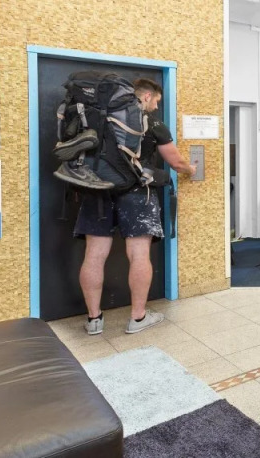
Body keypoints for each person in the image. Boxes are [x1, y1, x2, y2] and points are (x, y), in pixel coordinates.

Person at [76, 78, 195, 336]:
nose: (156, 107)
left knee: (94, 255)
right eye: (156, 101)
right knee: (139, 255)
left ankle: (94, 319)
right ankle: (138, 317)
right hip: (138, 192)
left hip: (96, 189)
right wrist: (191, 169)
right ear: (147, 96)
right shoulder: (153, 123)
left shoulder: (95, 118)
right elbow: (176, 163)